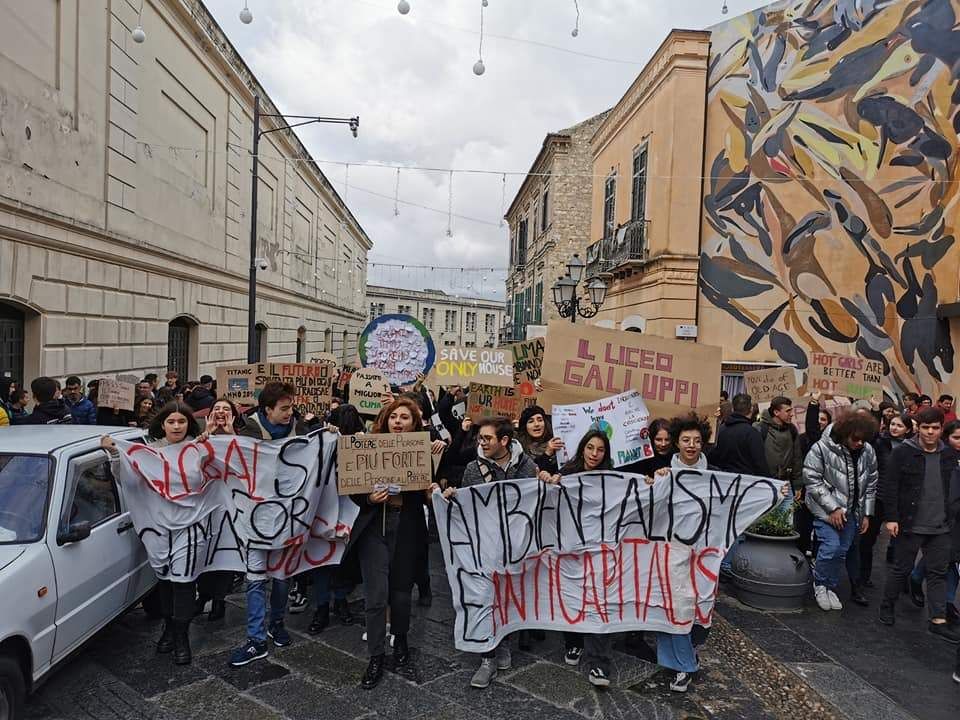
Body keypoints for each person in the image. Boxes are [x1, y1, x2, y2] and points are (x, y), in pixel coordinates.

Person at [349, 397, 446, 689]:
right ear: (386, 421)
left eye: (405, 417)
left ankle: (401, 639)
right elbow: (353, 488)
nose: (398, 422)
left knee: (401, 592)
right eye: (394, 417)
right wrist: (368, 498)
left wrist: (432, 492)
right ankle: (376, 655)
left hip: (407, 527)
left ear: (414, 423)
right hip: (374, 529)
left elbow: (429, 487)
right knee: (376, 595)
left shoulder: (421, 452)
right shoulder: (369, 448)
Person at [100, 401, 207, 664]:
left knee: (184, 580)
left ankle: (181, 638)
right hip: (158, 527)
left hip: (191, 526)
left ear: (188, 424)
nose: (177, 426)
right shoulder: (148, 453)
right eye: (171, 421)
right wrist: (115, 454)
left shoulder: (201, 450)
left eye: (182, 421)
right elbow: (128, 479)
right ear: (162, 424)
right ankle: (169, 628)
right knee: (167, 580)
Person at [444, 416, 538, 690]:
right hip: (483, 546)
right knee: (484, 598)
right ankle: (487, 657)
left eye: (486, 438)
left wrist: (547, 479)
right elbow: (466, 503)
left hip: (515, 547)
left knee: (507, 597)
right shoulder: (473, 468)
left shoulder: (527, 466)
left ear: (504, 441)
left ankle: (503, 642)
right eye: (479, 438)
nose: (480, 443)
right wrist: (452, 495)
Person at [229, 383, 308, 667]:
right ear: (267, 410)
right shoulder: (248, 433)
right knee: (255, 580)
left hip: (286, 519)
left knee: (282, 578)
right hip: (254, 520)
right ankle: (256, 639)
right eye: (284, 408)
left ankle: (277, 623)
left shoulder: (300, 429)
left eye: (291, 407)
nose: (290, 413)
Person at [538, 430, 616, 688]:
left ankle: (599, 662)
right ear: (582, 448)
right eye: (590, 447)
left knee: (599, 602)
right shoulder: (568, 473)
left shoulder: (613, 478)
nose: (594, 454)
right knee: (571, 595)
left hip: (599, 549)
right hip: (570, 547)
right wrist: (549, 479)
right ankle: (573, 642)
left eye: (600, 450)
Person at [879, 408, 960, 642]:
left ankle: (938, 619)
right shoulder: (904, 452)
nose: (930, 433)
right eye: (926, 428)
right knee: (901, 568)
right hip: (910, 523)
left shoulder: (948, 455)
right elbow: (891, 486)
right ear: (918, 428)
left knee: (938, 573)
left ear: (941, 429)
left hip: (941, 526)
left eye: (935, 428)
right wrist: (891, 518)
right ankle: (887, 605)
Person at [803, 412, 878, 612]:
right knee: (830, 548)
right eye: (855, 439)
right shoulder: (821, 448)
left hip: (852, 512)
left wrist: (866, 515)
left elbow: (871, 482)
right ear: (845, 434)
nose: (860, 443)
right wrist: (833, 507)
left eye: (864, 439)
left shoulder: (867, 451)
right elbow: (811, 478)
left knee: (842, 552)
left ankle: (829, 586)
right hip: (825, 511)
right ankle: (820, 584)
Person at [861, 414, 913, 590]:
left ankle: (902, 581)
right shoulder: (880, 443)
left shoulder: (912, 448)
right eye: (892, 424)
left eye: (899, 425)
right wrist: (875, 412)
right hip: (878, 496)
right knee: (868, 539)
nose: (894, 428)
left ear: (908, 429)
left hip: (901, 501)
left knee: (902, 543)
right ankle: (862, 577)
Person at [708, 393, 769, 476]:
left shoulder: (722, 429)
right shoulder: (752, 433)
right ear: (751, 409)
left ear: (733, 409)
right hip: (746, 482)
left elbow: (716, 455)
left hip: (724, 480)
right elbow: (760, 464)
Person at [517, 404, 563, 474]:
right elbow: (532, 473)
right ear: (525, 427)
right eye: (531, 421)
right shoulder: (520, 448)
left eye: (540, 420)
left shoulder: (557, 441)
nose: (536, 424)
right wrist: (547, 453)